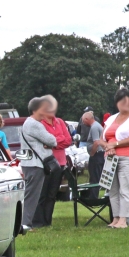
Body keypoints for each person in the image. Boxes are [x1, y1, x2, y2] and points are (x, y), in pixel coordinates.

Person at [96, 87, 129, 229]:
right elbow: (101, 139)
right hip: (110, 158)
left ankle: (124, 219)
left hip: (127, 157)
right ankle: (115, 218)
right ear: (117, 102)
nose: (126, 104)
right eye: (123, 101)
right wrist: (107, 147)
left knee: (125, 188)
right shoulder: (110, 119)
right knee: (113, 189)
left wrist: (115, 145)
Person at [32, 95, 72, 227]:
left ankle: (48, 221)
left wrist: (54, 141)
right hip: (46, 163)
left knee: (52, 194)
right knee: (42, 193)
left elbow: (68, 140)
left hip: (60, 163)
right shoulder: (40, 124)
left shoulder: (60, 122)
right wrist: (57, 140)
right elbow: (44, 143)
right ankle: (39, 221)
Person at [18, 96, 58, 230]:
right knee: (32, 196)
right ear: (35, 110)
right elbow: (52, 140)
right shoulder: (34, 124)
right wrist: (47, 143)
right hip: (35, 165)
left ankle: (25, 222)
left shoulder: (27, 123)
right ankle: (25, 224)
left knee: (30, 194)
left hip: (29, 163)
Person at [78, 108, 105, 185]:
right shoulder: (96, 125)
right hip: (98, 154)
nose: (83, 123)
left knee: (94, 178)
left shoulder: (94, 127)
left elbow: (96, 142)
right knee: (94, 176)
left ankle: (93, 195)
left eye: (83, 121)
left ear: (87, 119)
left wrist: (92, 154)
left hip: (97, 155)